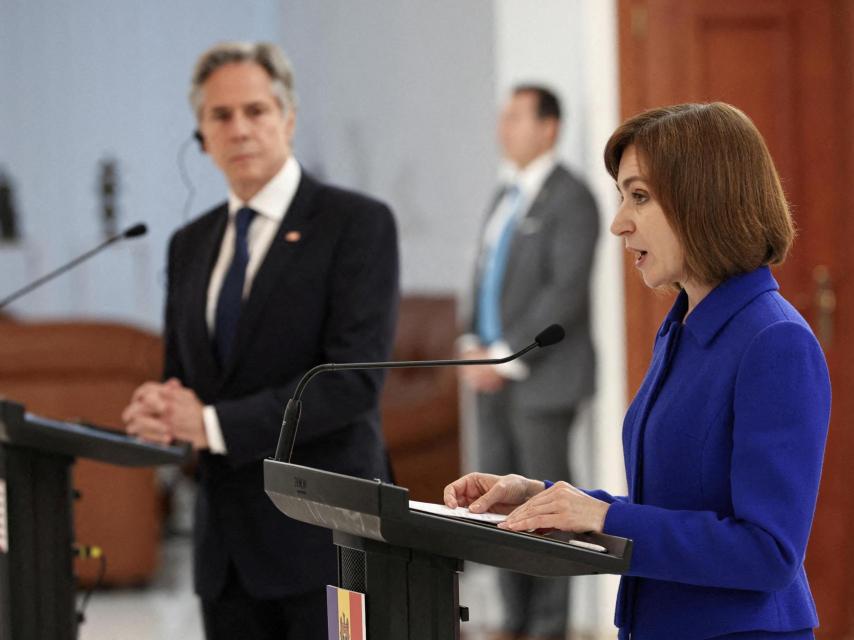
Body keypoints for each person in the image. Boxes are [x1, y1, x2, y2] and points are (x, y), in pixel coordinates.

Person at [445, 102, 831, 640]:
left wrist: (604, 518)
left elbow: (767, 552)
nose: (618, 222)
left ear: (705, 199)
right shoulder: (683, 327)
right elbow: (674, 507)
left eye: (640, 196)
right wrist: (547, 498)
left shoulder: (774, 341)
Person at [121, 42, 399, 640]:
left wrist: (212, 425)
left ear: (288, 118)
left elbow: (352, 382)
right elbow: (187, 378)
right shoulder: (188, 244)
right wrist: (163, 411)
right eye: (220, 116)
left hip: (325, 541)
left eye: (256, 110)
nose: (240, 128)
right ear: (200, 133)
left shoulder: (357, 223)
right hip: (226, 556)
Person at [458, 85, 599, 640]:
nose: (503, 128)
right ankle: (514, 623)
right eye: (502, 118)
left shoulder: (572, 198)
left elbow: (563, 294)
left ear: (549, 127)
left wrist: (504, 356)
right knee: (495, 510)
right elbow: (483, 281)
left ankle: (548, 628)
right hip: (490, 380)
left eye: (515, 117)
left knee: (548, 508)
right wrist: (473, 342)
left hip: (543, 380)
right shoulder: (504, 195)